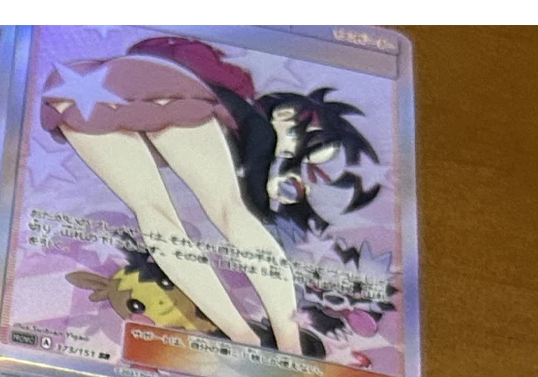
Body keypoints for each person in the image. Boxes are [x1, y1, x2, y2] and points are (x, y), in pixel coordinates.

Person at [38, 34, 381, 352]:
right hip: (154, 83)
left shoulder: (227, 103)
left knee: (154, 213)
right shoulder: (243, 117)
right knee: (230, 210)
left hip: (75, 90)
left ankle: (244, 339)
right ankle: (288, 343)